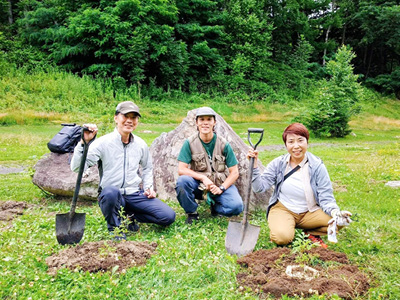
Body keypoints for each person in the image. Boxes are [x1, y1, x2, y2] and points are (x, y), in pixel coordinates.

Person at [70, 101, 176, 239]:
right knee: (111, 192)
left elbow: (147, 167)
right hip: (111, 195)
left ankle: (128, 216)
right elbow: (77, 168)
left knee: (168, 216)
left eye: (134, 117)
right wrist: (83, 143)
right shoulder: (103, 143)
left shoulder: (140, 144)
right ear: (116, 118)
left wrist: (148, 187)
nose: (129, 121)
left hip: (134, 194)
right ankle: (116, 227)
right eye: (125, 116)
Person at [247, 123, 352, 248]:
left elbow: (326, 196)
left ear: (307, 142)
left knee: (340, 221)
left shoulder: (317, 166)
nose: (296, 146)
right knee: (282, 238)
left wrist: (335, 212)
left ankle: (308, 233)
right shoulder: (279, 164)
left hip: (309, 212)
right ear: (286, 145)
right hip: (284, 209)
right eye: (291, 142)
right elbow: (259, 188)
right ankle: (284, 226)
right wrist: (254, 167)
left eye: (300, 140)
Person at [175, 107, 243, 224]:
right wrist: (203, 178)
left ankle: (215, 208)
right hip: (200, 186)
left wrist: (221, 188)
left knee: (237, 207)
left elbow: (235, 172)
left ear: (214, 122)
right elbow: (182, 169)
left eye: (209, 119)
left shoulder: (224, 144)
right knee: (182, 182)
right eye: (201, 119)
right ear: (196, 122)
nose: (205, 123)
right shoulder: (189, 143)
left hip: (219, 185)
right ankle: (192, 213)